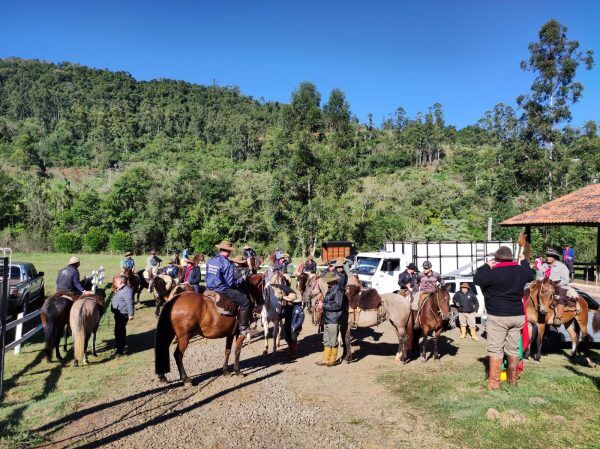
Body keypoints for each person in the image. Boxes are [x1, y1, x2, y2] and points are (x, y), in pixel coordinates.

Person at [474, 246, 533, 389]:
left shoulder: (493, 272)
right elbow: (531, 275)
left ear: (497, 259)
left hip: (498, 315)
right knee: (513, 349)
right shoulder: (521, 270)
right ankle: (513, 381)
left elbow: (477, 279)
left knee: (495, 349)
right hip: (517, 315)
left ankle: (494, 383)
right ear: (511, 258)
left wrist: (487, 265)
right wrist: (524, 260)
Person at [205, 241, 251, 335]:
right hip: (222, 289)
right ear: (228, 251)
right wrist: (242, 279)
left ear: (221, 249)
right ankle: (243, 328)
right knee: (245, 302)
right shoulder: (227, 263)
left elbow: (207, 275)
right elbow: (231, 283)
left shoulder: (211, 260)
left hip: (208, 288)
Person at [316, 272, 344, 367]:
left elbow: (338, 305)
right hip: (328, 318)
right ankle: (325, 359)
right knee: (326, 340)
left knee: (333, 340)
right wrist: (321, 303)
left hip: (334, 319)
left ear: (333, 280)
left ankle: (332, 359)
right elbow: (330, 302)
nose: (327, 283)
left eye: (329, 281)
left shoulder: (338, 291)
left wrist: (323, 305)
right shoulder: (331, 289)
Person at [539, 249, 572, 325]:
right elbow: (539, 276)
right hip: (546, 286)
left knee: (561, 296)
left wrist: (555, 284)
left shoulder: (562, 266)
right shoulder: (544, 266)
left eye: (550, 256)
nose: (548, 258)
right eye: (547, 256)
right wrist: (543, 282)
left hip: (558, 286)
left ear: (554, 257)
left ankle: (558, 317)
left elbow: (566, 280)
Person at [111, 274, 134, 356]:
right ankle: (122, 346)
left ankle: (120, 350)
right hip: (118, 313)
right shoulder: (120, 289)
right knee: (121, 330)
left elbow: (129, 303)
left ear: (120, 281)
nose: (115, 283)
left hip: (123, 314)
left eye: (116, 281)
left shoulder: (127, 290)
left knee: (118, 331)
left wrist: (131, 314)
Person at [280, 292, 305, 361]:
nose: (288, 302)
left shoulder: (298, 308)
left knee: (293, 339)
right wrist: (280, 312)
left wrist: (296, 326)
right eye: (287, 301)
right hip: (287, 325)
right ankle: (291, 351)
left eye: (289, 301)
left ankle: (294, 353)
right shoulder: (286, 307)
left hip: (294, 327)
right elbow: (282, 315)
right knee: (287, 339)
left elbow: (301, 318)